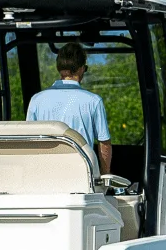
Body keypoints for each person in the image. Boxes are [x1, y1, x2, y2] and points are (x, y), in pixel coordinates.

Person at [25, 42, 112, 175]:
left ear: (58, 68)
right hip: (81, 175)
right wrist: (104, 175)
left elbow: (29, 141)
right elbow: (104, 144)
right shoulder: (93, 101)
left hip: (45, 174)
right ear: (81, 68)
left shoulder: (36, 100)